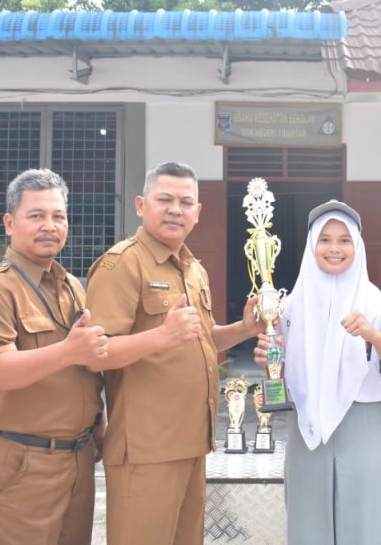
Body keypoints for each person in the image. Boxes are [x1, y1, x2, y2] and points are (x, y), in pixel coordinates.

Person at [85, 161, 263, 545]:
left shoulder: (192, 268)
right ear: (140, 205)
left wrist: (244, 330)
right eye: (164, 199)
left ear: (198, 212)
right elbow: (95, 352)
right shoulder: (123, 264)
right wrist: (161, 337)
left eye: (185, 202)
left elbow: (200, 338)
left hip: (191, 442)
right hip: (146, 449)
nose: (175, 210)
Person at [255, 200, 381, 545]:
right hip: (307, 427)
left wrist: (375, 338)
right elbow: (285, 373)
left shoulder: (376, 304)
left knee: (366, 525)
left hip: (363, 424)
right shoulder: (289, 306)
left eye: (345, 240)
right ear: (311, 245)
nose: (335, 248)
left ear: (357, 246)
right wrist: (271, 362)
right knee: (308, 525)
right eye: (325, 239)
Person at [0, 169, 108, 544]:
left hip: (78, 459)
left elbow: (86, 363)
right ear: (9, 223)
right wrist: (67, 350)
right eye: (36, 215)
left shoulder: (72, 286)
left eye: (58, 216)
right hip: (22, 463)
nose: (49, 226)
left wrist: (98, 418)